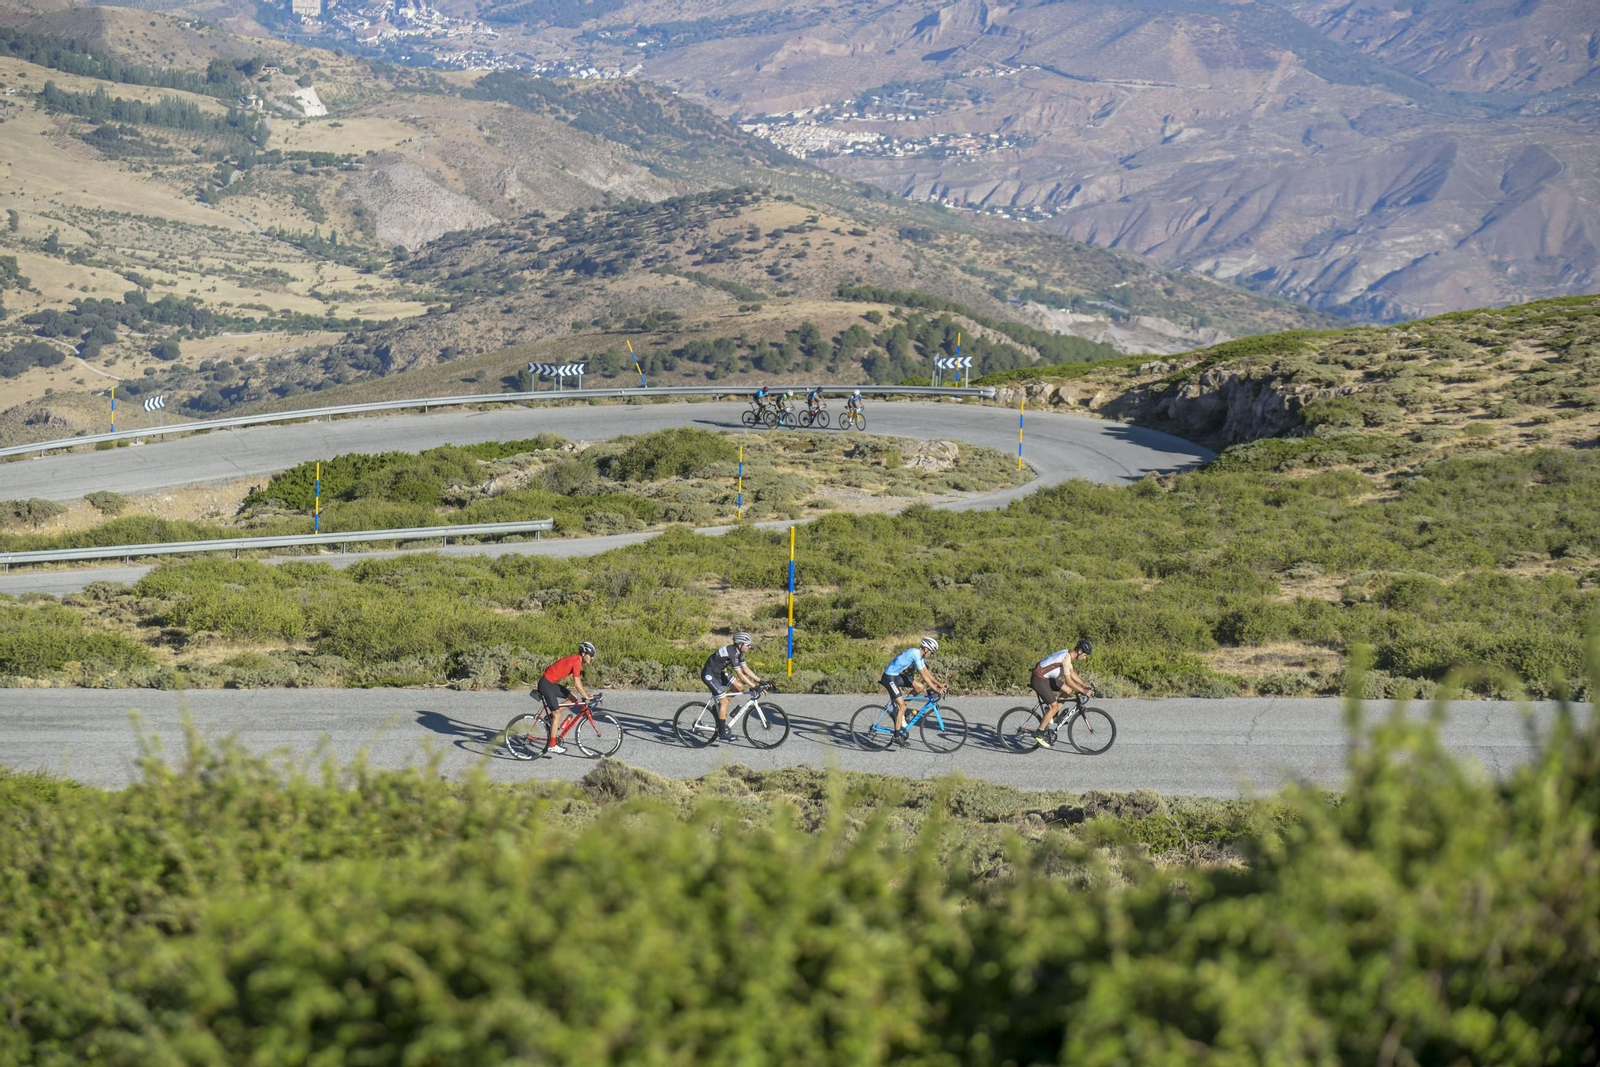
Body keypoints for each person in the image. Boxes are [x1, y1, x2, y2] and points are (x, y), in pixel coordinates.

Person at [881, 637, 946, 746]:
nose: (931, 655)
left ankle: (900, 712)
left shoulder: (919, 655)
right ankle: (896, 736)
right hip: (889, 678)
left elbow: (926, 671)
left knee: (919, 687)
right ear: (926, 649)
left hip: (895, 675)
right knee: (902, 706)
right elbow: (924, 676)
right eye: (931, 652)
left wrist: (939, 684)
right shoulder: (915, 654)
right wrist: (936, 689)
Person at [1030, 639, 1093, 748]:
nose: (1085, 657)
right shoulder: (1066, 658)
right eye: (1085, 655)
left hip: (1046, 678)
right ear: (1079, 652)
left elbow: (1072, 673)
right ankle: (1039, 733)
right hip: (1039, 679)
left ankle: (1053, 715)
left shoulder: (1068, 655)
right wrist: (1083, 691)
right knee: (1054, 706)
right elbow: (1068, 681)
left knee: (1068, 690)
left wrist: (1084, 685)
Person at [536, 641, 596, 755]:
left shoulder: (577, 660)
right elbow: (577, 684)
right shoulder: (576, 661)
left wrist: (585, 695)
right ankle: (552, 745)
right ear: (583, 654)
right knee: (558, 715)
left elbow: (578, 685)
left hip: (550, 683)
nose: (592, 658)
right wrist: (586, 697)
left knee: (573, 698)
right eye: (591, 655)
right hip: (546, 684)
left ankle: (550, 717)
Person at [701, 632, 760, 742]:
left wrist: (761, 681)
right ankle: (723, 733)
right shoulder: (732, 653)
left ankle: (717, 708)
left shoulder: (738, 652)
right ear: (740, 644)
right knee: (725, 702)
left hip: (718, 673)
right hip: (709, 674)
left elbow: (746, 669)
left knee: (739, 687)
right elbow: (740, 674)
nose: (750, 647)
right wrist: (754, 686)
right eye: (748, 645)